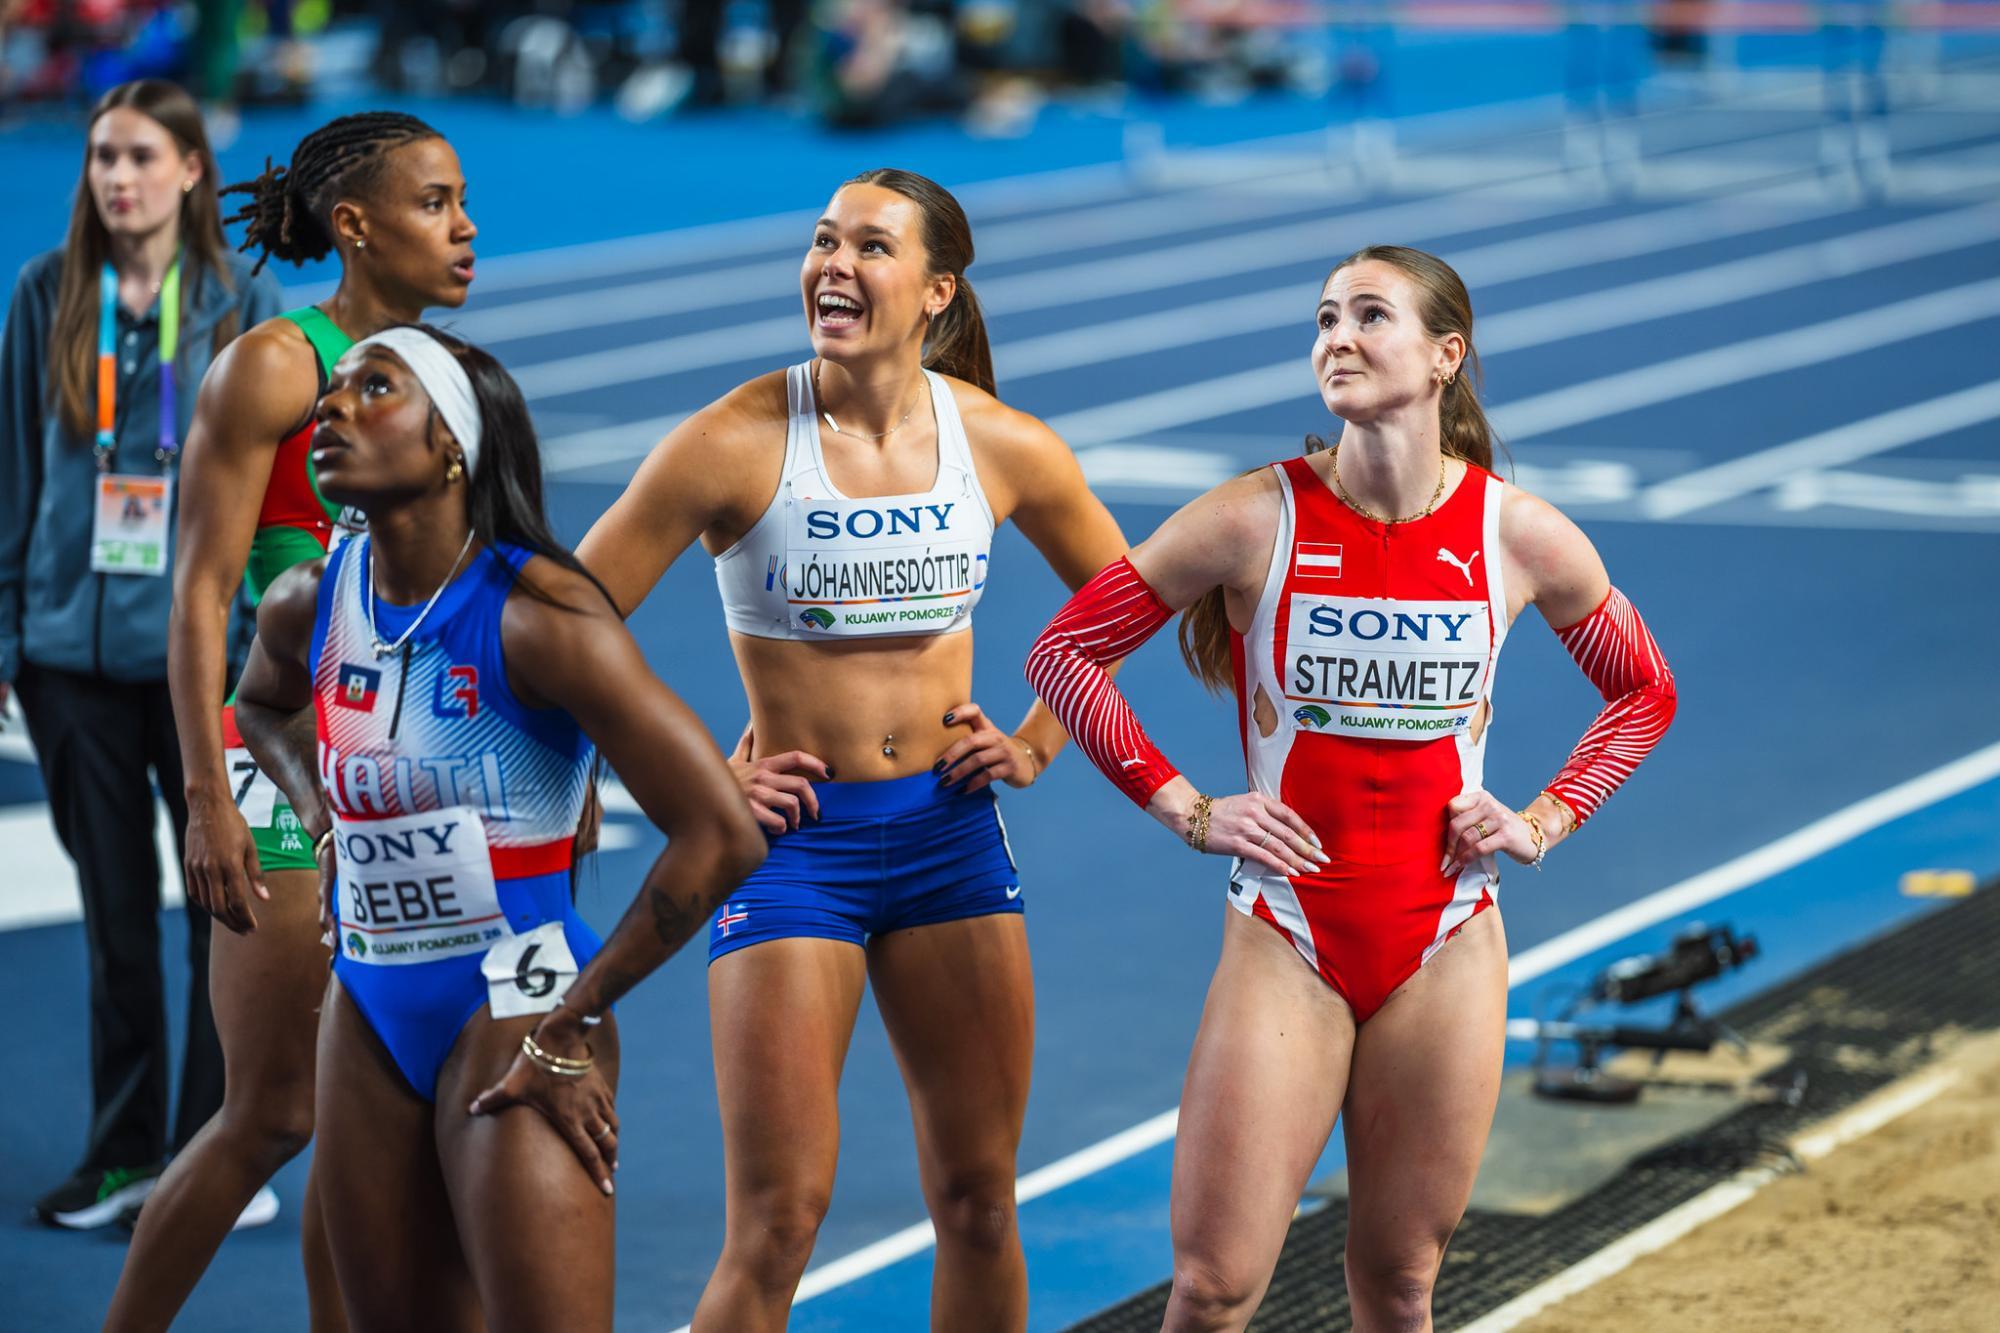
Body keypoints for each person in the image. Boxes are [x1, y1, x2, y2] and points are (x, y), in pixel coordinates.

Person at [1025, 244, 1677, 1330]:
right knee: (1212, 1285)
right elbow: (1063, 654)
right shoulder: (1250, 518)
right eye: (1324, 317)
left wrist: (1543, 818)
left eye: (1369, 316)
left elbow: (1642, 692)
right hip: (1287, 931)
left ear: (1442, 357)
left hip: (1446, 939)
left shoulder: (1512, 534)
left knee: (1400, 1284)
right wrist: (1189, 809)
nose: (1336, 336)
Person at [576, 167, 1127, 1330]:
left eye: (870, 248)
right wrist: (693, 784)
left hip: (949, 843)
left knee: (978, 1200)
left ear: (936, 289)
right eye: (823, 241)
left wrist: (1033, 744)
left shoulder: (1001, 441)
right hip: (792, 852)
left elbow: (1123, 603)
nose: (834, 265)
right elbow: (561, 624)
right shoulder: (731, 441)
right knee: (777, 1221)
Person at [232, 324, 764, 1331]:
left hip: (516, 1005)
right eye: (330, 392)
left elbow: (720, 832)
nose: (328, 409)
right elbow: (261, 706)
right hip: (369, 1002)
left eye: (372, 388)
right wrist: (323, 817)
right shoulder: (311, 600)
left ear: (450, 446)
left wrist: (579, 1013)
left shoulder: (541, 617)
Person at [107, 110, 475, 1330]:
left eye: (462, 200)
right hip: (275, 780)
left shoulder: (448, 380)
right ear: (356, 224)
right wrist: (206, 797)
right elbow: (198, 591)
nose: (466, 228)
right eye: (434, 203)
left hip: (404, 783)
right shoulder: (276, 363)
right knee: (270, 1111)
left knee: (367, 1115)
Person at [0, 78, 282, 1231]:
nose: (118, 178)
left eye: (141, 157)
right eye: (103, 157)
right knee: (115, 914)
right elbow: (12, 467)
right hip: (69, 664)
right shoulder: (45, 294)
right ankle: (122, 1155)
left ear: (191, 172)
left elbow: (270, 500)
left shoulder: (238, 301)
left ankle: (213, 1152)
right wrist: (11, 632)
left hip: (205, 666)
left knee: (222, 906)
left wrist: (264, 650)